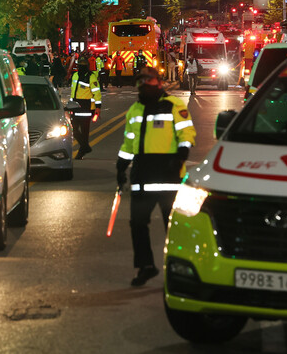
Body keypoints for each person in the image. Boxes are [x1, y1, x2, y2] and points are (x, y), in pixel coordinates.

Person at [116, 66, 196, 286]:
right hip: (142, 176)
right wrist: (121, 166)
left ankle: (181, 270)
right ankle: (146, 266)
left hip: (169, 176)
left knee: (175, 228)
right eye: (141, 81)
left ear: (158, 83)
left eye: (148, 81)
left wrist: (181, 155)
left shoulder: (174, 106)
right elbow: (129, 142)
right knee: (138, 224)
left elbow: (187, 133)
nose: (144, 85)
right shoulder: (135, 110)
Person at [69, 57, 102, 159]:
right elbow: (73, 92)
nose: (81, 67)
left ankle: (82, 152)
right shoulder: (75, 75)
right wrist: (70, 105)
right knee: (74, 130)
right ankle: (85, 147)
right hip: (75, 107)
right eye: (80, 65)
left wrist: (98, 107)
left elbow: (97, 93)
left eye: (82, 66)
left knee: (84, 132)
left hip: (86, 108)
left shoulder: (91, 77)